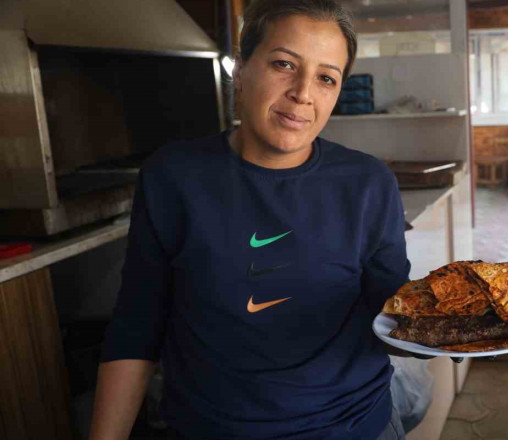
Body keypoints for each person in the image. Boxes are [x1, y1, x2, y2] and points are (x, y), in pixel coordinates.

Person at [88, 1, 410, 439]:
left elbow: (393, 313)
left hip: (349, 426)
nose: (303, 92)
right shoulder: (174, 177)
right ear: (240, 69)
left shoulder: (369, 183)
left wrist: (455, 328)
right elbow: (136, 324)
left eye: (326, 78)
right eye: (283, 64)